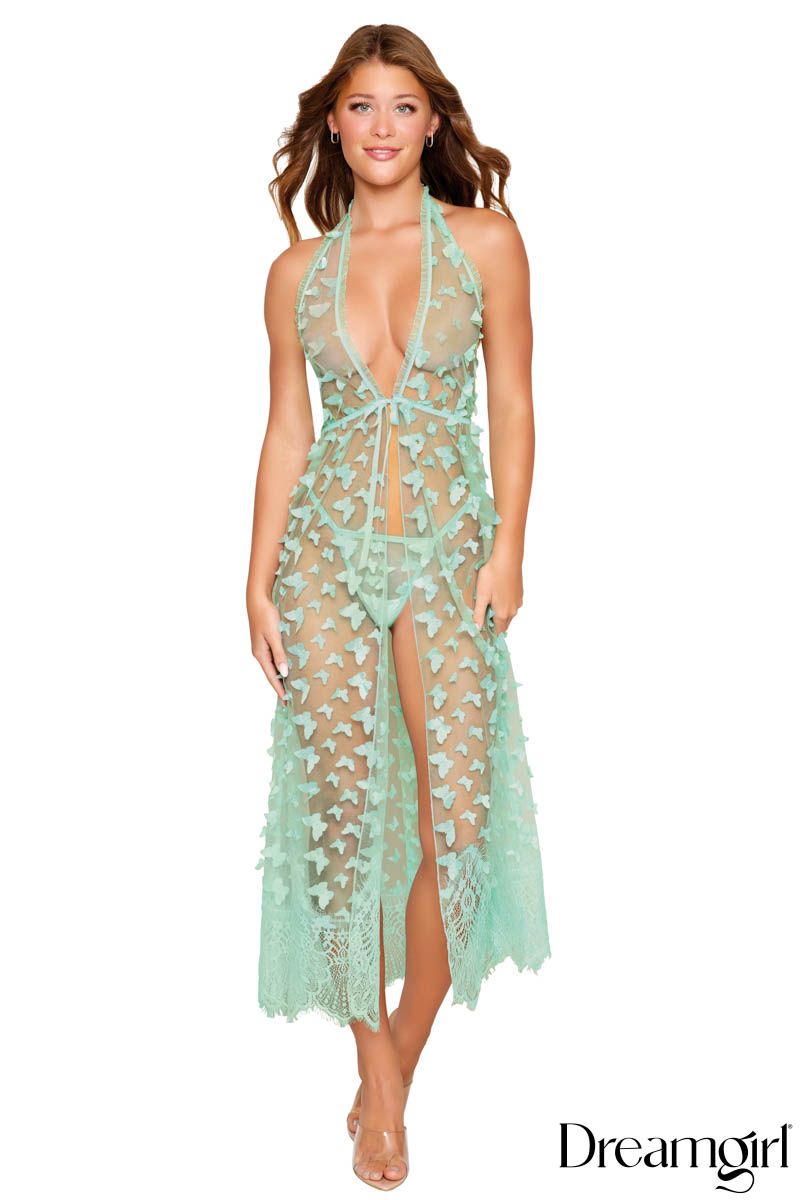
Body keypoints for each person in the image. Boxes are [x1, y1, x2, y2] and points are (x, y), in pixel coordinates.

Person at [248, 24, 551, 1190]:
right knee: (338, 820)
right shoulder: (294, 273)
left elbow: (512, 402)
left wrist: (509, 547)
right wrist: (255, 574)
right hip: (322, 557)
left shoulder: (484, 242)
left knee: (452, 824)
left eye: (403, 107)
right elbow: (288, 429)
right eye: (362, 107)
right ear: (333, 125)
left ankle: (395, 1066)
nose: (382, 126)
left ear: (432, 124)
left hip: (445, 549)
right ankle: (374, 1074)